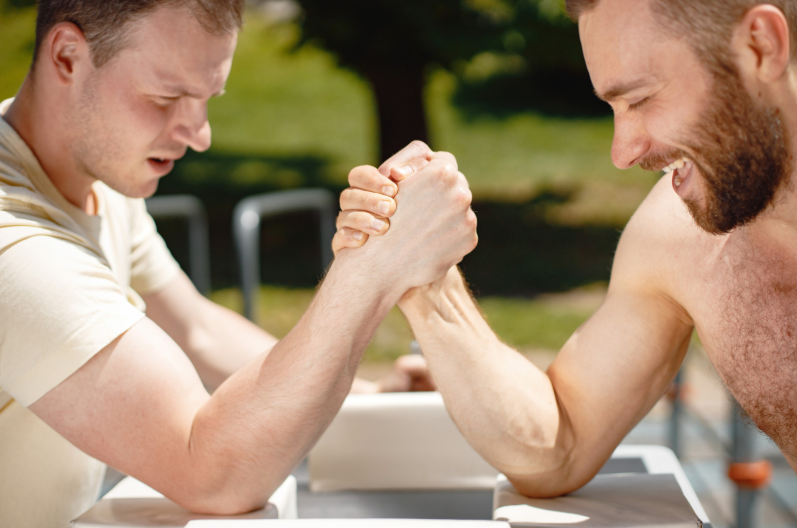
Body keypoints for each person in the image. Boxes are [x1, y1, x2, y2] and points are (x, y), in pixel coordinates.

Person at [0, 1, 478, 526]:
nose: (199, 135)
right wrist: (369, 271)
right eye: (167, 97)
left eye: (206, 99)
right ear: (67, 57)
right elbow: (210, 470)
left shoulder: (94, 177)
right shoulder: (14, 241)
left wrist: (364, 393)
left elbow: (196, 328)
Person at [334, 0, 797, 498]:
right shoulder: (681, 236)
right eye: (613, 108)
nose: (623, 154)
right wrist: (425, 277)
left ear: (760, 46)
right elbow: (562, 445)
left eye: (640, 100)